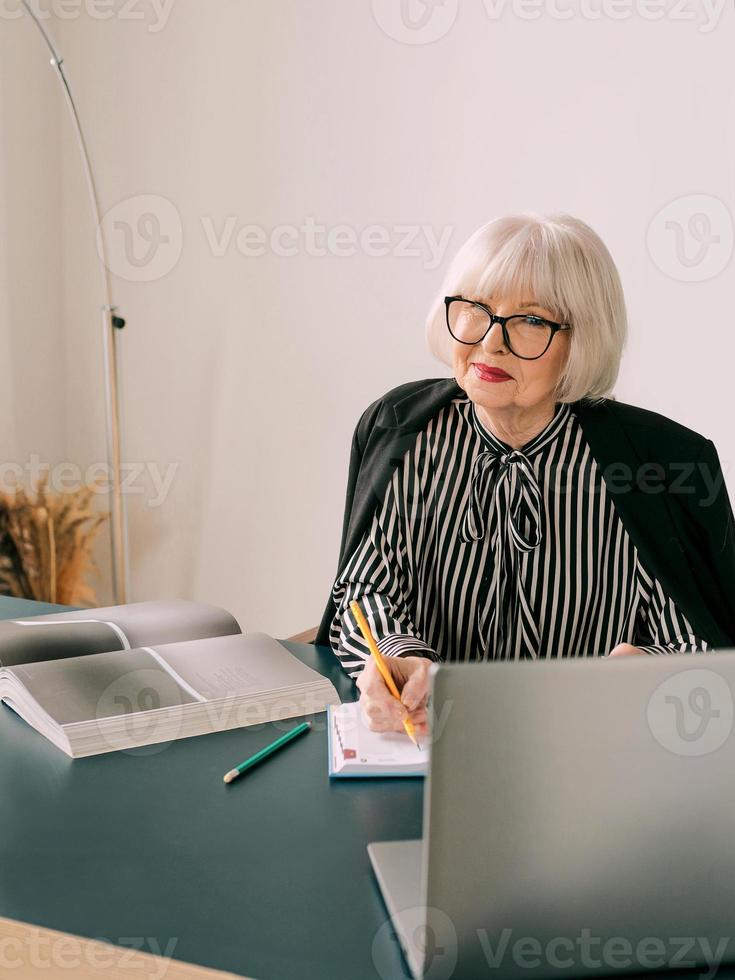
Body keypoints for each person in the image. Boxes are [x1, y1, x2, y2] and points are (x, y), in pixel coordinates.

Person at [315, 212, 735, 738]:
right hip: (427, 748)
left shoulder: (662, 465)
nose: (491, 342)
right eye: (475, 309)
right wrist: (397, 661)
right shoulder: (401, 428)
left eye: (531, 320)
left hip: (592, 754)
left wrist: (646, 672)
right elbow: (365, 588)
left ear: (583, 338)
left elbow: (702, 646)